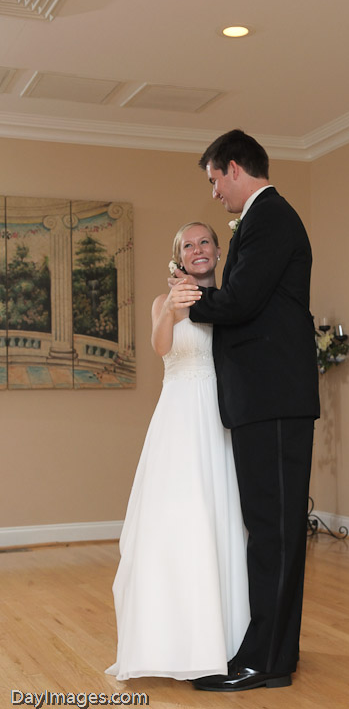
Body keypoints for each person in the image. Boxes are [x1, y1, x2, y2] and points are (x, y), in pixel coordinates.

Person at [171, 129, 320, 691]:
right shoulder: (262, 220)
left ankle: (265, 662)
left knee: (273, 533)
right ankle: (274, 653)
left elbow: (240, 302)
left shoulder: (270, 217)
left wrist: (189, 298)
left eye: (215, 180)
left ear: (234, 168)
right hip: (267, 401)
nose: (214, 193)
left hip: (273, 399)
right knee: (271, 529)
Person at [106, 221, 250, 681]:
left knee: (219, 517)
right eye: (188, 245)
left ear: (219, 251)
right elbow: (160, 346)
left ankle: (224, 641)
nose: (198, 249)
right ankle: (171, 642)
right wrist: (171, 307)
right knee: (176, 519)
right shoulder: (162, 302)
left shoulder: (230, 301)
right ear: (179, 257)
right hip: (178, 419)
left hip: (219, 421)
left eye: (205, 241)